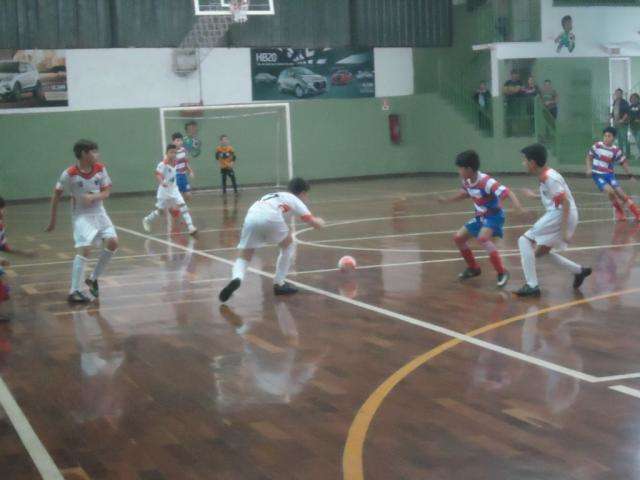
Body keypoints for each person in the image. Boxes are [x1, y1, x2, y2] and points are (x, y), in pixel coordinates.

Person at [219, 177, 325, 302]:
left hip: (251, 216)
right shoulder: (295, 199)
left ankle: (237, 278)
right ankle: (279, 283)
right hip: (270, 216)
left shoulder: (273, 195)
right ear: (302, 193)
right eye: (306, 195)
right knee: (289, 244)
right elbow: (313, 223)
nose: (306, 198)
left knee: (245, 255)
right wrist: (321, 222)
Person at [45, 139, 119, 303]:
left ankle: (92, 278)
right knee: (84, 249)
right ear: (84, 154)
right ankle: (74, 291)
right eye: (93, 152)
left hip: (99, 212)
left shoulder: (100, 169)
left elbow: (106, 192)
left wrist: (94, 197)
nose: (97, 155)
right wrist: (52, 219)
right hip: (81, 216)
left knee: (113, 242)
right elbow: (56, 194)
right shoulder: (69, 174)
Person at [438, 150, 525, 288]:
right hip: (480, 217)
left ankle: (502, 272)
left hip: (494, 216)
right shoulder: (466, 180)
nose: (458, 171)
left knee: (482, 239)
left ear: (469, 169)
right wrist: (447, 200)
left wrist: (517, 206)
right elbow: (465, 193)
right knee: (458, 238)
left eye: (460, 168)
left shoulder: (487, 182)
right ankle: (473, 268)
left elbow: (508, 192)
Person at [516, 144, 591, 297]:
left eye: (524, 160)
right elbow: (555, 196)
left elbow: (565, 202)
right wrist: (535, 196)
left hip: (560, 214)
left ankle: (532, 286)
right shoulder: (546, 175)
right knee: (541, 253)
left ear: (532, 162)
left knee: (524, 241)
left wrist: (564, 232)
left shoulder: (549, 178)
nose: (523, 163)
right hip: (563, 214)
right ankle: (579, 271)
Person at [586, 126, 639, 222]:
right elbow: (589, 157)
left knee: (622, 194)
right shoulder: (597, 146)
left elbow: (623, 163)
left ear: (613, 138)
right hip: (597, 175)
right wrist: (589, 168)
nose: (606, 138)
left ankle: (637, 213)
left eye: (609, 136)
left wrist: (630, 175)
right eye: (605, 136)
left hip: (610, 175)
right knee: (610, 191)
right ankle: (620, 211)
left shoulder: (616, 150)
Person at [143, 144, 198, 235]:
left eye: (174, 152)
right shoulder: (163, 164)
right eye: (171, 152)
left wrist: (190, 171)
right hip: (164, 191)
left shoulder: (176, 162)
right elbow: (157, 174)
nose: (173, 154)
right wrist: (161, 182)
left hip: (174, 189)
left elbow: (185, 164)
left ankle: (191, 227)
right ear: (167, 153)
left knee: (183, 205)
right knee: (160, 211)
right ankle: (147, 219)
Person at [171, 132, 194, 203]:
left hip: (183, 176)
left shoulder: (184, 150)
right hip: (175, 176)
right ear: (173, 142)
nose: (180, 142)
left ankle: (182, 209)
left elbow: (186, 162)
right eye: (177, 140)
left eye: (181, 140)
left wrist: (190, 171)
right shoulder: (171, 152)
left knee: (188, 195)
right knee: (178, 196)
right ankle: (179, 210)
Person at [611, 88, 631, 157]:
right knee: (619, 139)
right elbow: (614, 111)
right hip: (616, 123)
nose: (617, 94)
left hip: (623, 123)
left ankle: (628, 154)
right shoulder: (615, 101)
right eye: (616, 93)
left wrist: (622, 120)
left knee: (624, 138)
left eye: (619, 93)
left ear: (621, 94)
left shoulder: (624, 102)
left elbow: (627, 112)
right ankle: (620, 153)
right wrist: (611, 117)